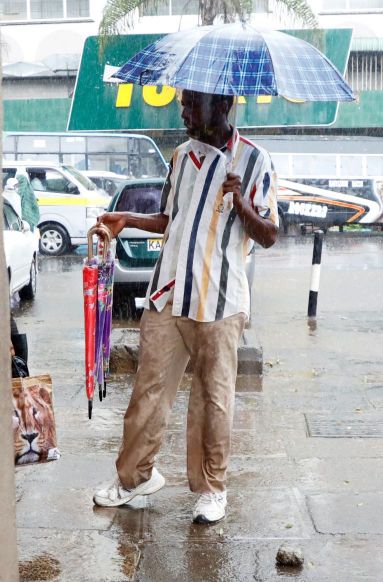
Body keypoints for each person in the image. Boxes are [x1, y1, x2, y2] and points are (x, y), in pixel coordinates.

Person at [93, 90, 279, 524]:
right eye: (183, 103)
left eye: (192, 104)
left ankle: (212, 488)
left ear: (223, 105)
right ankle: (135, 477)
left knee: (213, 400)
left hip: (221, 299)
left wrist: (242, 202)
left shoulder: (254, 160)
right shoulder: (180, 156)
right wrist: (127, 220)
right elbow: (169, 218)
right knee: (148, 391)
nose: (184, 111)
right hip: (167, 292)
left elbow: (269, 233)